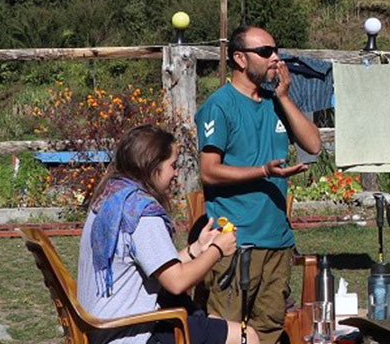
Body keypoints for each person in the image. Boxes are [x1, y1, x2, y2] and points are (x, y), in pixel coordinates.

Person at [195, 25, 323, 344]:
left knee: (267, 331)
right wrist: (263, 171)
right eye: (265, 52)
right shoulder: (219, 105)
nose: (275, 58)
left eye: (276, 50)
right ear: (240, 59)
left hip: (277, 241)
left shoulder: (274, 101)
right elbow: (209, 172)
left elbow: (313, 145)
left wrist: (284, 96)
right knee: (226, 332)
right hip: (235, 243)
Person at [77, 124, 253, 344]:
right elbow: (177, 282)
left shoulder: (111, 198)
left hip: (104, 326)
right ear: (153, 166)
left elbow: (158, 267)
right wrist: (218, 249)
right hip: (130, 334)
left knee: (214, 321)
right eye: (173, 165)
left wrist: (196, 249)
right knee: (247, 337)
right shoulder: (141, 214)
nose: (176, 173)